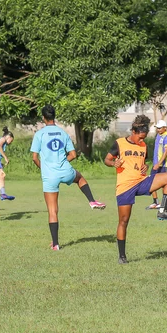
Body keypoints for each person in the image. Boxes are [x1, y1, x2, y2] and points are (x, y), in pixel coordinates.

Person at [104, 115, 167, 264]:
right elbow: (106, 159)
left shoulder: (143, 146)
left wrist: (145, 167)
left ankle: (162, 210)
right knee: (124, 221)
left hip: (142, 181)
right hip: (125, 187)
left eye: (144, 137)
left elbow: (143, 164)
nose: (142, 140)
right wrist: (114, 164)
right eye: (140, 137)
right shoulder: (119, 143)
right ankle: (122, 256)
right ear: (133, 131)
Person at [31, 105, 106, 251]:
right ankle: (91, 201)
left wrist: (44, 168)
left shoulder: (39, 134)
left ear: (43, 118)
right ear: (54, 116)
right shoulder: (62, 132)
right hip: (65, 170)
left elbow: (34, 158)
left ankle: (56, 244)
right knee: (80, 178)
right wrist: (62, 163)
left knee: (53, 211)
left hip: (49, 176)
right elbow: (73, 155)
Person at [146, 120, 167, 210]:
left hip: (164, 165)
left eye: (160, 128)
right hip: (155, 164)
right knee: (151, 182)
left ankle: (163, 204)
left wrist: (159, 163)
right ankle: (155, 202)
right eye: (157, 128)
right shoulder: (158, 135)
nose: (158, 129)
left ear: (165, 128)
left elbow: (166, 152)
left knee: (165, 184)